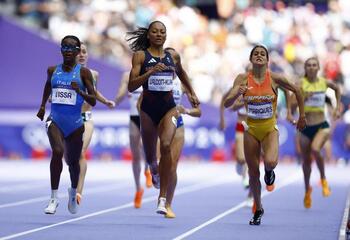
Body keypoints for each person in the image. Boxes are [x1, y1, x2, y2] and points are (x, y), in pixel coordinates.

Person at [224, 45, 306, 225]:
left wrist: (301, 116)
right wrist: (237, 93)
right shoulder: (242, 78)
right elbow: (227, 103)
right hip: (250, 129)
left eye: (262, 54)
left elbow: (297, 90)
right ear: (251, 58)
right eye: (256, 54)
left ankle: (269, 172)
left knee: (270, 162)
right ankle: (258, 207)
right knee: (253, 173)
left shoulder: (275, 79)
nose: (259, 56)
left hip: (269, 128)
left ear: (267, 60)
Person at [126, 20, 200, 215]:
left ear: (166, 36)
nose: (159, 34)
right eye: (155, 32)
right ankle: (153, 168)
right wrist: (150, 72)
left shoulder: (172, 56)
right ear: (149, 35)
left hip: (169, 108)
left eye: (162, 32)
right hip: (148, 110)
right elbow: (131, 86)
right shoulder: (140, 56)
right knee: (151, 157)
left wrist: (191, 92)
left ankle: (163, 199)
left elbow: (182, 74)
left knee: (166, 145)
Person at [36, 35, 96, 214]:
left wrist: (80, 92)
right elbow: (48, 86)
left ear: (78, 51)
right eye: (65, 47)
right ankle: (54, 198)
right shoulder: (52, 70)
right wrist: (41, 106)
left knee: (73, 163)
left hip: (76, 124)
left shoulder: (84, 73)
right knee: (57, 151)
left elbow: (93, 101)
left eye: (72, 47)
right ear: (61, 50)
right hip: (55, 119)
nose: (69, 50)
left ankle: (72, 191)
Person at [162, 47, 201, 218]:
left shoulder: (182, 84)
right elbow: (141, 103)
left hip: (177, 124)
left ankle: (167, 204)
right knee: (159, 163)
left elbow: (198, 111)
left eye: (174, 60)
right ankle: (155, 174)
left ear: (178, 64)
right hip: (159, 125)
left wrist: (185, 110)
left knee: (172, 167)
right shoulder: (155, 78)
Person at [297, 57, 340, 209]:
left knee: (316, 149)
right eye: (308, 65)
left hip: (322, 124)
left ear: (318, 67)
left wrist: (336, 108)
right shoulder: (300, 83)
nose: (311, 67)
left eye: (314, 65)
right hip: (305, 127)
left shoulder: (324, 82)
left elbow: (337, 88)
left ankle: (323, 179)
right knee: (306, 161)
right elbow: (292, 104)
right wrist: (303, 98)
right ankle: (307, 190)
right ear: (305, 67)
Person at [75, 42, 115, 205]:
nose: (82, 55)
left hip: (86, 117)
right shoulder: (63, 73)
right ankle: (72, 180)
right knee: (68, 157)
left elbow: (94, 92)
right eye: (79, 52)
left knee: (81, 152)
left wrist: (105, 101)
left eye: (85, 52)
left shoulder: (93, 74)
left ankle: (78, 191)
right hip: (68, 118)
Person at [113, 71, 152, 209]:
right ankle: (138, 189)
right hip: (134, 117)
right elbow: (122, 91)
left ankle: (148, 169)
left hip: (149, 116)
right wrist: (115, 102)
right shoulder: (126, 75)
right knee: (135, 154)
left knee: (147, 146)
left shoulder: (151, 70)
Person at [219, 91, 252, 204]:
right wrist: (243, 102)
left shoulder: (259, 88)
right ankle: (240, 165)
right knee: (241, 159)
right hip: (241, 126)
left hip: (254, 126)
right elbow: (229, 104)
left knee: (250, 158)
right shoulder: (239, 88)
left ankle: (246, 179)